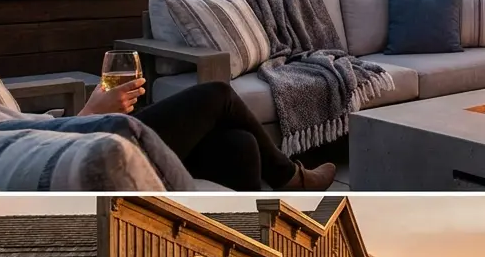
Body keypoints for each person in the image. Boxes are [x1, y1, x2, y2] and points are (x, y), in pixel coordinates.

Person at [80, 79, 335, 192]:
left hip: (89, 129)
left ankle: (246, 243)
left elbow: (40, 129)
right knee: (219, 94)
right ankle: (288, 174)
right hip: (94, 143)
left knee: (241, 144)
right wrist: (91, 111)